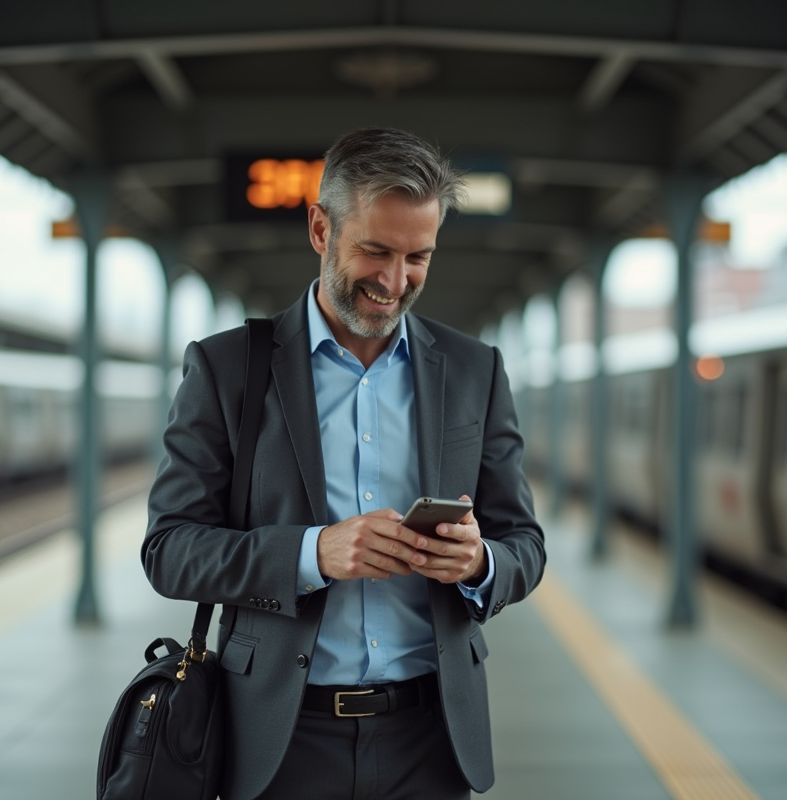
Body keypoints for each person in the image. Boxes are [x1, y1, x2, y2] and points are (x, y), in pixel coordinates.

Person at [143, 127, 546, 800]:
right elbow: (170, 550)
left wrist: (480, 564)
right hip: (279, 739)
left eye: (419, 256)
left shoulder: (476, 370)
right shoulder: (227, 369)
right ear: (320, 228)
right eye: (376, 251)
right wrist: (313, 553)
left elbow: (524, 545)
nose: (395, 282)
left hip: (434, 739)